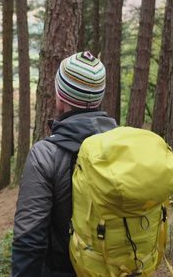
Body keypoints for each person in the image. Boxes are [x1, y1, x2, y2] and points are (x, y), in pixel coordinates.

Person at [11, 51, 118, 277]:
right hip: (122, 267)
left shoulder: (45, 154)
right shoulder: (123, 146)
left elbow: (29, 238)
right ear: (99, 98)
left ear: (61, 96)